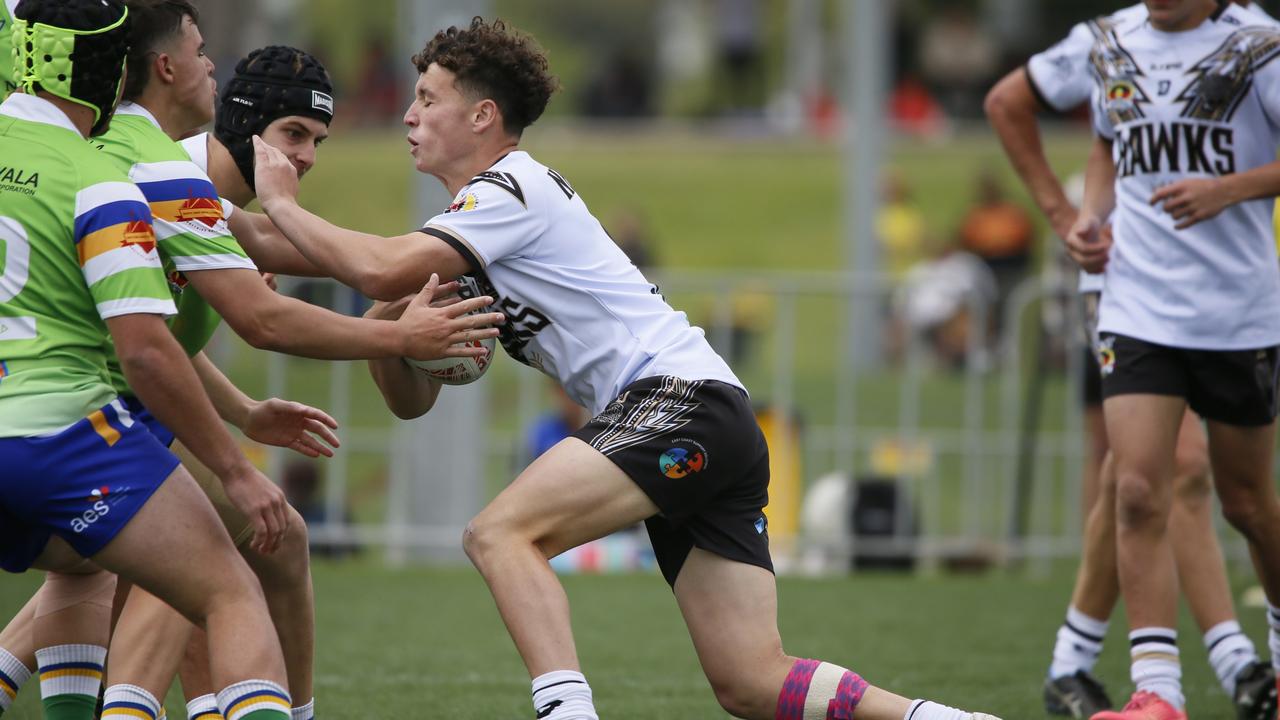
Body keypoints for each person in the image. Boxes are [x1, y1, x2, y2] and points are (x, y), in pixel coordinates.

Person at [251, 17, 1004, 720]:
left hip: (679, 401)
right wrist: (389, 334)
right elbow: (406, 392)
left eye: (427, 99)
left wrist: (281, 201)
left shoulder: (512, 188)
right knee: (750, 679)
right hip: (710, 416)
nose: (409, 116)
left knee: (499, 535)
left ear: (482, 117)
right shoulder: (470, 228)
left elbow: (374, 265)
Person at [0, 2, 296, 719]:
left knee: (83, 568)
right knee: (230, 587)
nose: (306, 154)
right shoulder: (116, 173)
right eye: (296, 134)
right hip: (66, 432)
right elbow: (157, 347)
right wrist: (394, 332)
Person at [984, 2, 1279, 718]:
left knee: (1245, 501)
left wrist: (1227, 189)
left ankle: (1248, 655)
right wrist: (1068, 219)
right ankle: (1159, 692)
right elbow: (1012, 104)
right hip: (1135, 304)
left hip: (1237, 310)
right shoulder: (1108, 41)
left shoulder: (1260, 46)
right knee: (1142, 488)